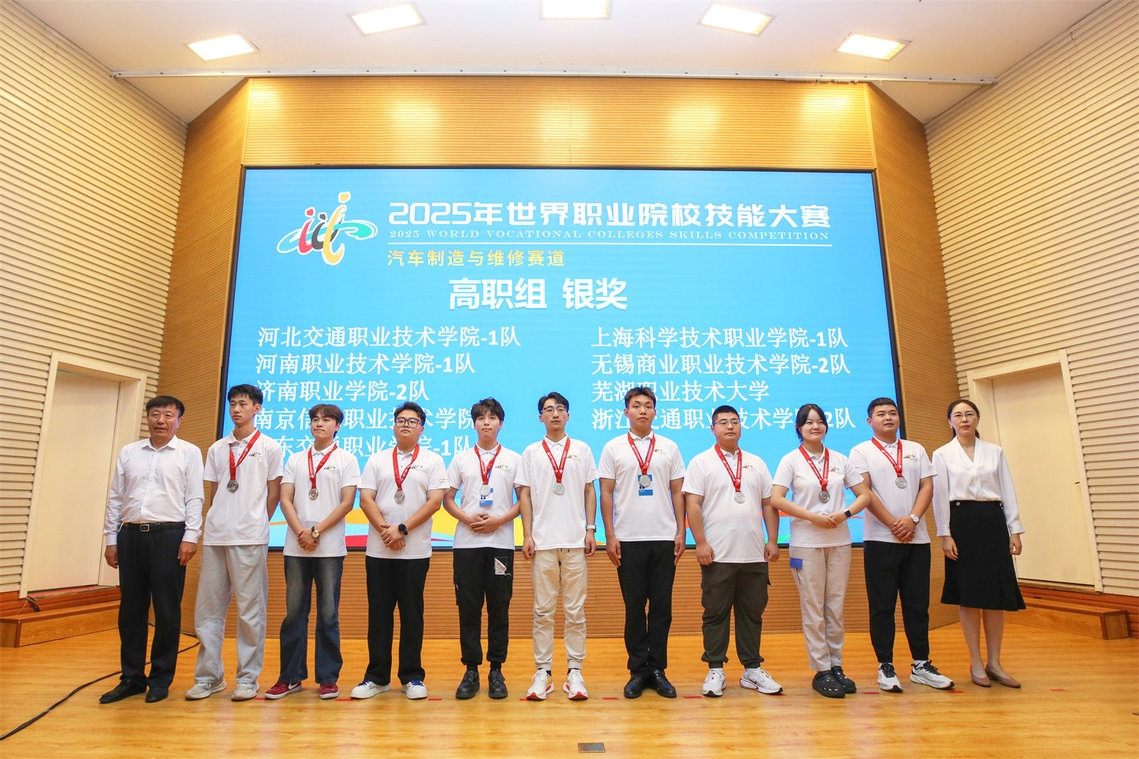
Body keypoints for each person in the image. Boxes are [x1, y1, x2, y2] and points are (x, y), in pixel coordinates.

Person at [100, 395, 204, 704]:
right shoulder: (129, 452)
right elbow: (116, 497)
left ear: (179, 420)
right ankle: (131, 677)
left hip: (169, 536)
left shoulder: (189, 453)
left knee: (167, 611)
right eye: (155, 414)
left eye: (168, 415)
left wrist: (191, 537)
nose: (161, 420)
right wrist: (111, 539)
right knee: (131, 610)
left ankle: (160, 678)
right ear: (147, 418)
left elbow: (194, 498)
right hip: (131, 535)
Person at [849, 397, 954, 693]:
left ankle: (921, 664)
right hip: (880, 539)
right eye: (881, 414)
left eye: (892, 413)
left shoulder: (915, 449)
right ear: (870, 421)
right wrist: (893, 524)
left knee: (917, 605)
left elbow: (927, 486)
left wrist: (913, 519)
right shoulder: (861, 451)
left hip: (916, 539)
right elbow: (864, 491)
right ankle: (885, 665)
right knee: (882, 606)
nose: (888, 417)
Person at [186, 384, 282, 702]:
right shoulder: (217, 448)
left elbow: (273, 493)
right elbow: (216, 492)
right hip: (216, 536)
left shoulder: (270, 447)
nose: (236, 409)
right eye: (232, 404)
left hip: (250, 536)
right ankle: (209, 677)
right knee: (208, 611)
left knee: (250, 611)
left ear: (257, 408)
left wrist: (258, 522)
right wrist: (218, 520)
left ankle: (248, 678)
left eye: (242, 404)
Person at [771, 403, 871, 699]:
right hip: (806, 543)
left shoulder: (840, 459)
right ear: (799, 428)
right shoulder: (790, 460)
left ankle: (836, 665)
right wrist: (812, 517)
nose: (815, 427)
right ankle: (821, 669)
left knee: (835, 606)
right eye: (809, 422)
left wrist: (845, 513)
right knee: (813, 607)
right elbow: (777, 499)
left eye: (820, 422)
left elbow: (864, 495)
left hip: (839, 541)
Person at [683, 404, 782, 698]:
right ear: (712, 428)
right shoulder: (701, 462)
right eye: (723, 422)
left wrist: (772, 540)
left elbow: (768, 504)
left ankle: (752, 670)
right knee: (715, 613)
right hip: (718, 554)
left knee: (752, 613)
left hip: (753, 554)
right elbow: (693, 505)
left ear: (741, 427)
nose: (730, 426)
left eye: (735, 422)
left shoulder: (756, 463)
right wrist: (701, 542)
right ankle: (715, 669)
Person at [351, 402, 448, 701]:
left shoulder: (433, 460)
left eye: (412, 421)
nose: (405, 424)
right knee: (379, 615)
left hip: (414, 552)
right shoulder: (377, 459)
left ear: (422, 428)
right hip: (379, 551)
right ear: (393, 426)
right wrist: (387, 531)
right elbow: (365, 499)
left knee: (411, 614)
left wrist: (402, 529)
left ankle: (412, 677)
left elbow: (435, 502)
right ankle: (376, 677)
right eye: (400, 420)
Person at [265, 403, 360, 700]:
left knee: (328, 614)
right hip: (296, 547)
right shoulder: (295, 459)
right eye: (315, 419)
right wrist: (301, 532)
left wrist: (316, 532)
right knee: (294, 613)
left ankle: (328, 678)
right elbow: (285, 499)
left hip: (329, 548)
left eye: (326, 420)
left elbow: (347, 503)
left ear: (337, 426)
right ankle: (290, 677)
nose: (319, 424)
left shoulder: (347, 459)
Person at [598, 386, 685, 699]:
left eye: (648, 406)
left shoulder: (669, 447)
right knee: (634, 608)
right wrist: (609, 534)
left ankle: (657, 669)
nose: (643, 411)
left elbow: (678, 491)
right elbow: (606, 492)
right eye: (636, 406)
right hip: (628, 539)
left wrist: (681, 531)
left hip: (663, 538)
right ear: (626, 412)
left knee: (661, 608)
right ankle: (638, 670)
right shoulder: (613, 447)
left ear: (655, 412)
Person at [932, 398, 1026, 688]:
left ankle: (995, 663)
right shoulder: (942, 454)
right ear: (950, 421)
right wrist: (945, 534)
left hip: (993, 523)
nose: (964, 419)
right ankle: (975, 662)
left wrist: (1015, 529)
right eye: (958, 415)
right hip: (961, 524)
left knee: (995, 596)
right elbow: (940, 497)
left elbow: (1007, 491)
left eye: (969, 414)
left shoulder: (995, 451)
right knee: (969, 597)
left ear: (977, 418)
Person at [516, 391, 598, 701]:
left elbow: (590, 490)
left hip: (575, 542)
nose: (554, 414)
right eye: (548, 409)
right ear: (541, 417)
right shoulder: (531, 452)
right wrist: (527, 534)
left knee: (575, 611)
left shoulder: (582, 449)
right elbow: (524, 495)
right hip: (543, 542)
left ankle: (575, 671)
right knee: (543, 611)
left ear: (567, 415)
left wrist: (590, 529)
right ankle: (543, 672)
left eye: (560, 409)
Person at [443, 397, 521, 700]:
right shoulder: (461, 459)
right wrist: (466, 518)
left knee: (499, 608)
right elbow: (447, 498)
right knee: (469, 607)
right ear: (474, 424)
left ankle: (496, 670)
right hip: (467, 544)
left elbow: (523, 500)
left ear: (501, 424)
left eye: (492, 418)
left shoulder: (513, 458)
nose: (486, 422)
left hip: (501, 544)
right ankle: (471, 670)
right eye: (481, 418)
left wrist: (500, 520)